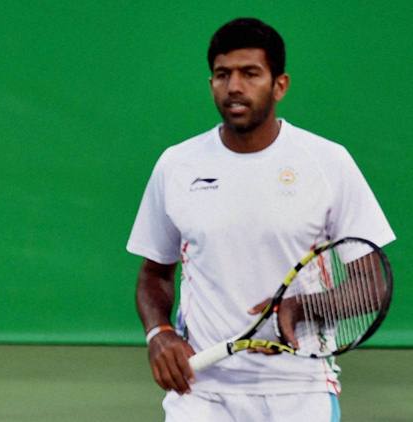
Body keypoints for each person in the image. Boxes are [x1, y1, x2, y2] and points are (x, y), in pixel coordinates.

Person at [127, 18, 395, 421]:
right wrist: (158, 333)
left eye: (250, 73)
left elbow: (372, 284)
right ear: (211, 83)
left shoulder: (327, 162)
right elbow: (154, 274)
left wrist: (303, 306)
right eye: (223, 74)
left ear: (279, 85)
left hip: (300, 389)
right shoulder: (177, 165)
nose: (234, 86)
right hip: (201, 391)